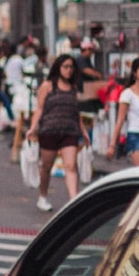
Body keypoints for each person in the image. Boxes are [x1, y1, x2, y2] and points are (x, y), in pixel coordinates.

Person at [29, 53, 87, 211]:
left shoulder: (73, 88)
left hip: (70, 132)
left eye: (71, 67)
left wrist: (84, 132)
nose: (69, 70)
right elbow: (39, 109)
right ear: (58, 68)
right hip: (49, 131)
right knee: (47, 166)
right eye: (65, 67)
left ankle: (73, 202)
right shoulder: (48, 86)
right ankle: (43, 196)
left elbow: (76, 112)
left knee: (71, 166)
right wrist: (33, 127)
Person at [6, 38, 41, 162]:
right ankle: (23, 142)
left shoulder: (19, 60)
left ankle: (23, 141)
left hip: (18, 91)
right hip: (21, 93)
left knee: (25, 122)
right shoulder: (25, 61)